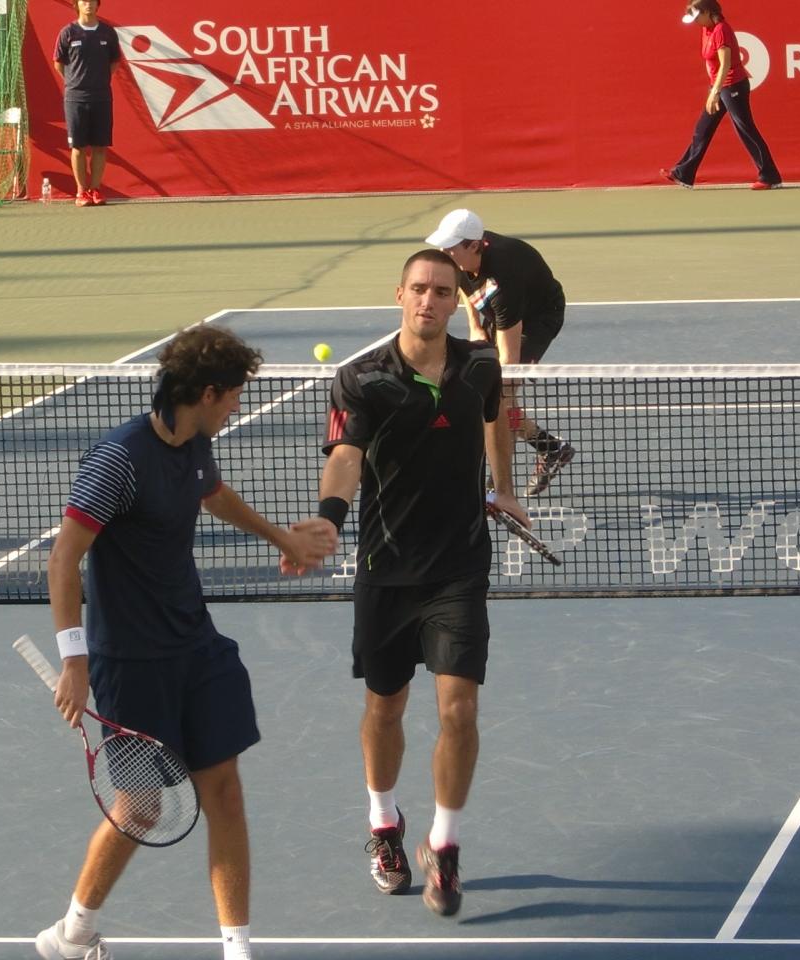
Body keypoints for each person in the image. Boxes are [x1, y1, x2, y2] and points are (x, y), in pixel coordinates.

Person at [35, 325, 337, 960]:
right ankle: (73, 932)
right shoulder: (118, 460)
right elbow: (63, 560)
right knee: (140, 808)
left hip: (196, 647)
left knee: (224, 789)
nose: (236, 407)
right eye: (234, 396)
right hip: (130, 661)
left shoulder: (196, 446)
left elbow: (212, 494)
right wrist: (74, 660)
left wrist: (281, 537)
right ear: (207, 393)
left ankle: (237, 949)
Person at [315, 249, 529, 918]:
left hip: (459, 568)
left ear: (452, 299)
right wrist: (328, 518)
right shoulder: (360, 380)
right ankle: (384, 824)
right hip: (386, 572)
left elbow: (496, 416)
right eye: (418, 289)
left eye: (441, 291)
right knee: (386, 708)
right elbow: (345, 457)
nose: (429, 300)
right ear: (400, 295)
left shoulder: (480, 366)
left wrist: (503, 486)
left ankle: (445, 844)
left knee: (459, 711)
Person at [426, 208, 575, 497]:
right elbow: (465, 286)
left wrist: (499, 387)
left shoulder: (505, 279)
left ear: (473, 245)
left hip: (537, 318)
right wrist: (475, 327)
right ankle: (550, 447)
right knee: (497, 399)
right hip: (498, 313)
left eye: (450, 247)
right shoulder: (460, 259)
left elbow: (509, 360)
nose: (444, 253)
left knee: (500, 395)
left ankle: (497, 484)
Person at [659, 0, 782, 190]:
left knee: (745, 129)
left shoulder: (721, 30)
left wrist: (715, 91)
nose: (695, 21)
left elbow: (726, 64)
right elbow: (711, 63)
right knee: (703, 129)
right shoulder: (706, 29)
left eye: (697, 16)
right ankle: (684, 172)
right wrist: (714, 88)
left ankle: (770, 177)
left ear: (708, 12)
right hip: (719, 85)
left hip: (733, 85)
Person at [53, 0, 121, 207]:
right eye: (84, 1)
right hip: (75, 98)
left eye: (92, 1)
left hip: (102, 97)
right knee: (78, 147)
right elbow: (58, 63)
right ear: (77, 5)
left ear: (98, 5)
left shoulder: (108, 32)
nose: (88, 4)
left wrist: (100, 81)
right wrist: (75, 83)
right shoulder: (67, 32)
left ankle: (95, 189)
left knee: (100, 146)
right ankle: (81, 191)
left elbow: (115, 61)